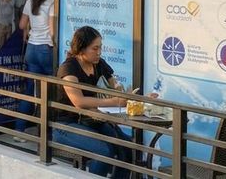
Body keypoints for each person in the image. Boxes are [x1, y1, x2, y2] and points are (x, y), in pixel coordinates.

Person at [54, 26, 155, 177]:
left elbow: (116, 90)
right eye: (95, 48)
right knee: (104, 151)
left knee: (128, 147)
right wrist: (114, 101)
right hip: (67, 124)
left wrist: (140, 98)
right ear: (81, 48)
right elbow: (79, 101)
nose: (99, 52)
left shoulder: (100, 64)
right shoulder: (69, 67)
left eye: (100, 47)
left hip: (94, 121)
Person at [15, 0, 55, 136]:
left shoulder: (31, 0)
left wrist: (32, 28)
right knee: (50, 92)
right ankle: (46, 134)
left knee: (31, 90)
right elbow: (52, 32)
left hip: (31, 49)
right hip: (46, 49)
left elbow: (21, 25)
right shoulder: (52, 2)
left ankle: (19, 131)